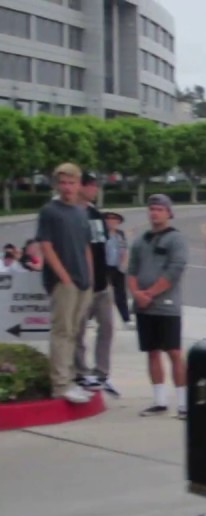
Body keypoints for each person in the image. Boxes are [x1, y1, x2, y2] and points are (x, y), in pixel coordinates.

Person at [36, 162, 95, 405]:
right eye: (63, 183)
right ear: (57, 185)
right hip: (64, 282)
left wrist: (89, 277)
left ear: (79, 184)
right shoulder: (49, 211)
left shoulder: (81, 213)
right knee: (62, 332)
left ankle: (70, 378)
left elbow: (86, 247)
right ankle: (60, 385)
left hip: (83, 282)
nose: (68, 187)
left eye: (72, 182)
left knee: (74, 332)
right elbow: (46, 246)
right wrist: (64, 277)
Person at [127, 194, 188, 418]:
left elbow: (175, 269)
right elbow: (131, 271)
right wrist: (136, 293)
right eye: (152, 209)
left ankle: (183, 403)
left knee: (173, 351)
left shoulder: (176, 240)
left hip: (167, 305)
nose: (155, 213)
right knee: (152, 352)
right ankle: (159, 400)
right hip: (144, 307)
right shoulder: (140, 241)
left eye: (160, 209)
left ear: (168, 213)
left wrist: (150, 293)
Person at [72, 173, 118, 397]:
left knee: (107, 327)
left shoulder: (95, 213)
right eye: (90, 185)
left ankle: (101, 372)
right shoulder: (73, 214)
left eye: (95, 186)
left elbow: (103, 248)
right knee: (78, 330)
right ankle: (80, 371)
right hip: (82, 285)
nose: (94, 189)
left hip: (102, 284)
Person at [103, 211, 131, 326]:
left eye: (114, 219)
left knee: (121, 294)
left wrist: (123, 264)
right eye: (108, 219)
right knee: (99, 294)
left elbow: (124, 249)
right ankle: (89, 317)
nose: (111, 221)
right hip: (103, 268)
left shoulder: (120, 234)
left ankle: (126, 319)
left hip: (117, 267)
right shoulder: (101, 234)